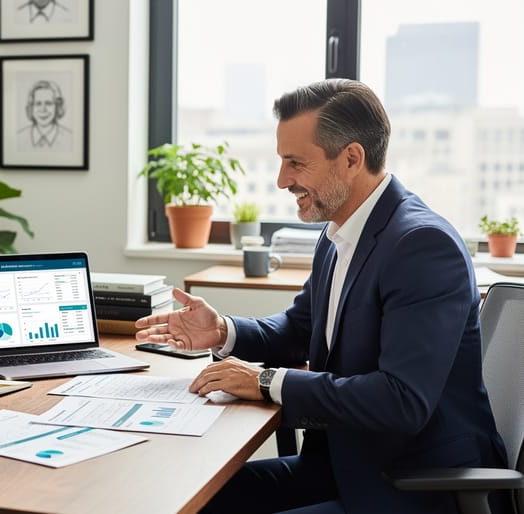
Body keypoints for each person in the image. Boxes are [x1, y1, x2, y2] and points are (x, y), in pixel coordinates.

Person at [135, 79, 511, 514]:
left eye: (295, 163)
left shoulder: (422, 245)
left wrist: (264, 381)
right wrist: (222, 330)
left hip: (415, 487)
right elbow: (299, 329)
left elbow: (401, 400)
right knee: (190, 498)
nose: (281, 180)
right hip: (348, 466)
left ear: (352, 158)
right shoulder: (339, 234)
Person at [18, 79, 73, 151]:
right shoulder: (19, 137)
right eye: (38, 103)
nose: (43, 109)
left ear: (57, 107)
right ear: (31, 107)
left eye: (48, 103)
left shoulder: (70, 138)